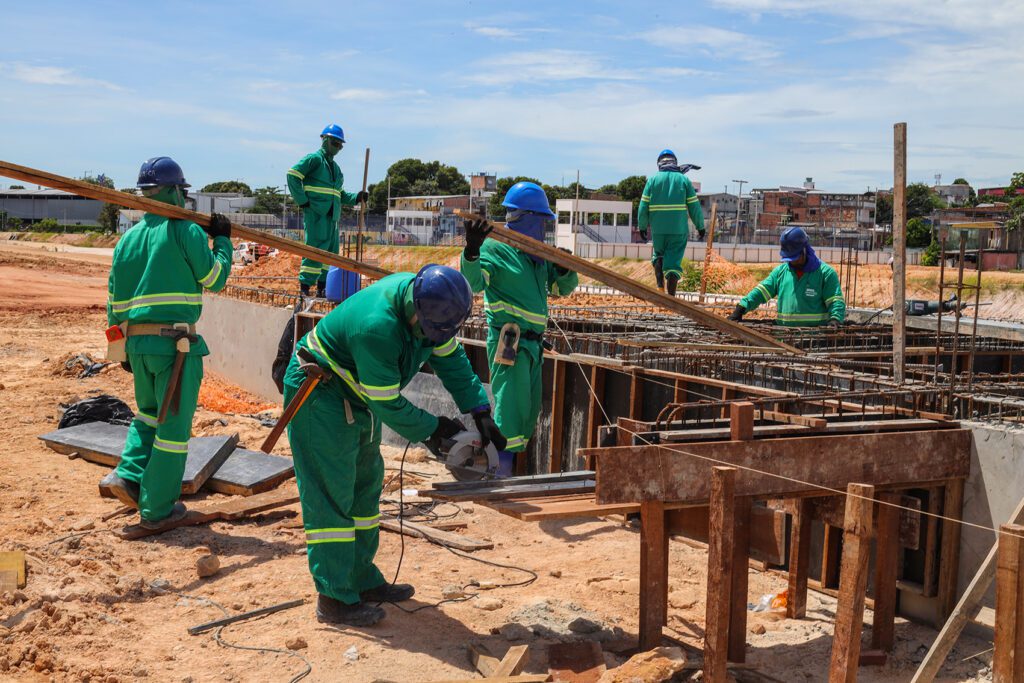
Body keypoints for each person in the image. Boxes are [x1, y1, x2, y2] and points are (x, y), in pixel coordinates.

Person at [283, 265, 504, 626]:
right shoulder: (378, 328)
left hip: (355, 393)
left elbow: (451, 360)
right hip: (320, 393)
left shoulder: (431, 308)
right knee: (331, 494)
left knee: (365, 487)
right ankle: (334, 598)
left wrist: (479, 409)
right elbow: (386, 401)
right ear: (417, 311)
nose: (434, 339)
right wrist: (434, 430)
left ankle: (361, 580)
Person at [101, 157, 233, 530]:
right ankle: (157, 510)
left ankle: (127, 475)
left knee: (146, 414)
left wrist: (119, 349)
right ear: (176, 191)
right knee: (173, 430)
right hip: (175, 346)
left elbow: (115, 304)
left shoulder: (127, 240)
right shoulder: (184, 230)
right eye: (183, 191)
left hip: (138, 347)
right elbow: (216, 278)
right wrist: (223, 241)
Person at [461, 181, 579, 476]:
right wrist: (472, 251)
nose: (545, 228)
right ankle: (499, 476)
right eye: (542, 221)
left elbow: (562, 288)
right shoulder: (497, 248)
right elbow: (474, 282)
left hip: (533, 346)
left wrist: (565, 267)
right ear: (528, 218)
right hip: (509, 343)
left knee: (527, 413)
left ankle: (505, 473)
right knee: (510, 412)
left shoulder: (537, 256)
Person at [286, 124, 368, 298]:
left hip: (332, 218)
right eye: (334, 143)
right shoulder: (314, 160)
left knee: (330, 254)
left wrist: (357, 197)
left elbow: (339, 194)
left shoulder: (336, 170)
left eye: (340, 145)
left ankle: (322, 288)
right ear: (324, 139)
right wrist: (303, 201)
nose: (337, 147)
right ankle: (305, 288)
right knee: (313, 250)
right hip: (316, 213)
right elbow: (292, 174)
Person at [729, 227, 845, 327]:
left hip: (813, 340)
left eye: (795, 257)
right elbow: (762, 291)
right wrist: (741, 308)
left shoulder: (825, 273)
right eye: (790, 258)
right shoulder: (781, 272)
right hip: (785, 338)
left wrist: (835, 319)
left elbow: (835, 301)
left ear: (805, 250)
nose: (793, 262)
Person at [637, 149, 705, 295]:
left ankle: (660, 288)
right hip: (678, 230)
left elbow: (643, 206)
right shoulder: (684, 180)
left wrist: (642, 226)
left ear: (659, 163)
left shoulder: (652, 180)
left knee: (658, 255)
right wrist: (700, 226)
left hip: (658, 229)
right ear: (675, 161)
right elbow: (694, 206)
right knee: (673, 263)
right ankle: (671, 298)